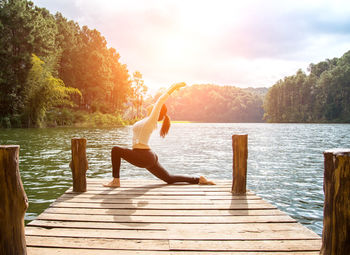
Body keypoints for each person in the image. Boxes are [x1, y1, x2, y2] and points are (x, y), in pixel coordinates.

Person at [104, 82, 215, 187]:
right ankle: (198, 179)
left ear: (157, 111)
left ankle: (116, 181)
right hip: (146, 155)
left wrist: (174, 87)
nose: (152, 104)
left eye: (155, 105)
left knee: (116, 150)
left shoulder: (152, 120)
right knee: (169, 178)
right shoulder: (145, 120)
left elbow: (161, 100)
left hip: (143, 155)